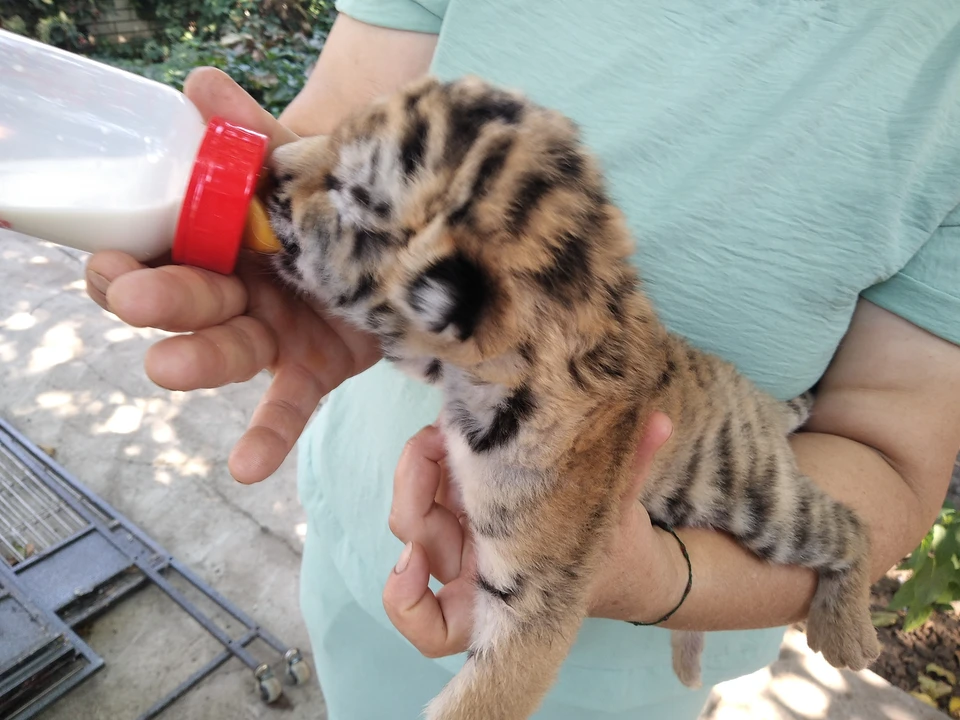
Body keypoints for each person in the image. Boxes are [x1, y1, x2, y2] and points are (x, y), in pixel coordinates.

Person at [85, 2, 960, 718]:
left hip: (625, 647)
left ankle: (832, 580)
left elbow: (890, 446)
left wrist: (671, 582)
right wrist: (276, 189)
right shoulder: (481, 328)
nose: (288, 180)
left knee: (786, 521)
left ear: (450, 311)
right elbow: (346, 129)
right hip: (358, 521)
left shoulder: (535, 447)